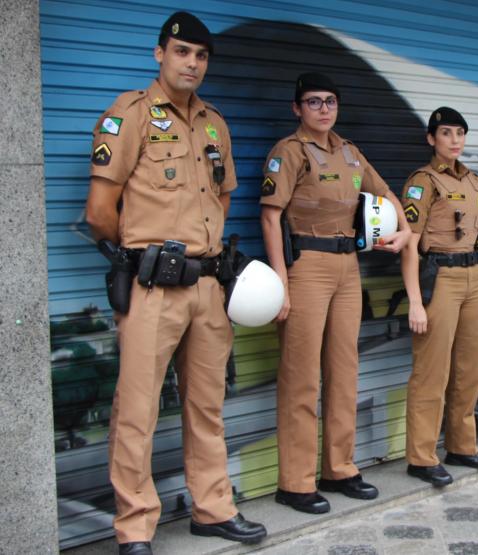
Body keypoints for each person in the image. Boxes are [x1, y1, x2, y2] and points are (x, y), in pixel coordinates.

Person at [84, 12, 266, 554]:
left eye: (201, 55)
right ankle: (134, 527)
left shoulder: (215, 123)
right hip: (152, 288)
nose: (192, 63)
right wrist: (143, 256)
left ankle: (211, 510)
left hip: (209, 287)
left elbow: (222, 198)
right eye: (182, 51)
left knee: (207, 405)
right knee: (137, 409)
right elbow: (99, 211)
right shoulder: (129, 116)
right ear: (159, 54)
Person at [259, 73, 411, 514]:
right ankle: (296, 481)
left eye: (330, 101)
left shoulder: (350, 152)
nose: (323, 109)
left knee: (345, 369)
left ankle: (340, 467)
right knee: (301, 376)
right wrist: (280, 284)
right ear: (297, 108)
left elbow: (384, 194)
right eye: (313, 102)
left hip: (348, 267)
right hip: (305, 265)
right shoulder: (288, 153)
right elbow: (270, 218)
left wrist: (405, 231)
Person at [400, 107, 478, 487]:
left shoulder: (476, 182)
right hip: (439, 278)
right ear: (431, 139)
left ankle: (462, 446)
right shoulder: (421, 182)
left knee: (469, 370)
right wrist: (414, 300)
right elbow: (409, 245)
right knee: (431, 371)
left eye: (460, 132)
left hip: (475, 277)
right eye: (446, 133)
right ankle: (422, 457)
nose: (455, 140)